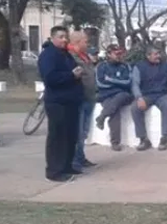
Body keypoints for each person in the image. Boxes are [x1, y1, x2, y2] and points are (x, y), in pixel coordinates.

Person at [38, 26, 84, 182]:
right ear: (52, 38)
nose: (64, 40)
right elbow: (50, 78)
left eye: (66, 37)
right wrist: (71, 75)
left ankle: (66, 165)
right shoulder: (48, 55)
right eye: (60, 37)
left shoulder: (65, 54)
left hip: (70, 101)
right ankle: (54, 171)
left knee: (70, 135)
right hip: (57, 102)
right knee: (58, 136)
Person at [131, 46, 167, 151]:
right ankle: (143, 139)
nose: (158, 56)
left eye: (159, 53)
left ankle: (164, 138)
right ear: (148, 56)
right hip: (146, 95)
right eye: (155, 54)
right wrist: (139, 98)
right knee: (135, 108)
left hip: (163, 94)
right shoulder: (139, 67)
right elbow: (135, 84)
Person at [95, 44, 133, 151]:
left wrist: (110, 80)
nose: (119, 56)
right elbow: (100, 83)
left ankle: (102, 117)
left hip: (122, 94)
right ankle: (115, 142)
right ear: (108, 54)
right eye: (116, 54)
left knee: (120, 96)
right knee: (114, 112)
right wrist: (117, 83)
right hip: (106, 95)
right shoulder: (101, 66)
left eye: (120, 54)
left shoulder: (125, 66)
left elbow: (128, 82)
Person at [67, 31, 97, 170]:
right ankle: (74, 160)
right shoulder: (70, 56)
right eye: (85, 41)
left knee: (84, 131)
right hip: (79, 98)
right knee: (77, 132)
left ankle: (80, 156)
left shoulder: (84, 56)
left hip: (89, 97)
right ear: (77, 42)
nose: (87, 43)